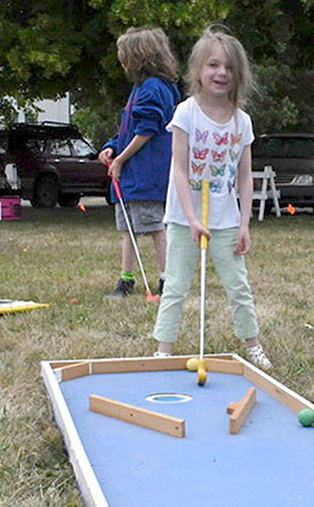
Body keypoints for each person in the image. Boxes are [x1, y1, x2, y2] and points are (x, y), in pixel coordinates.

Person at [152, 26, 271, 370]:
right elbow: (178, 170)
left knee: (239, 286)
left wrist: (244, 223)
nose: (221, 73)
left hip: (225, 219)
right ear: (197, 71)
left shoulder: (241, 121)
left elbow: (245, 177)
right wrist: (191, 218)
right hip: (183, 218)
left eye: (229, 68)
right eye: (213, 65)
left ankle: (253, 344)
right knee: (175, 284)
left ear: (239, 75)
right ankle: (163, 348)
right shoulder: (186, 113)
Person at [99, 26, 181, 298]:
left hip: (146, 174)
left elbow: (147, 130)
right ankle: (125, 280)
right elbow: (128, 128)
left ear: (138, 57)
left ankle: (168, 280)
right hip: (131, 176)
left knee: (155, 227)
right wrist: (112, 148)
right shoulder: (140, 88)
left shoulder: (155, 89)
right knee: (128, 229)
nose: (120, 61)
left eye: (123, 55)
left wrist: (121, 160)